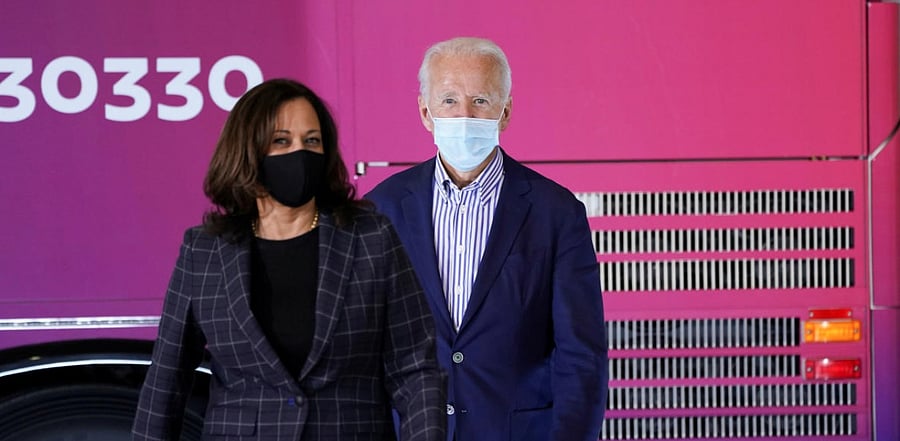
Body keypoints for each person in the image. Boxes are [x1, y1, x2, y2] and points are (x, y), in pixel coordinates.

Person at [132, 78, 446, 441]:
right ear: (248, 150)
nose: (300, 153)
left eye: (311, 141)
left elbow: (415, 369)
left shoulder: (371, 237)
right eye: (281, 141)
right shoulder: (203, 251)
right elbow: (167, 379)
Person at [365, 37, 608, 441]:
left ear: (506, 112)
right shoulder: (381, 209)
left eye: (480, 101)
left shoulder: (556, 212)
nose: (464, 114)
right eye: (448, 101)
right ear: (425, 112)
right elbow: (362, 348)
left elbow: (581, 356)